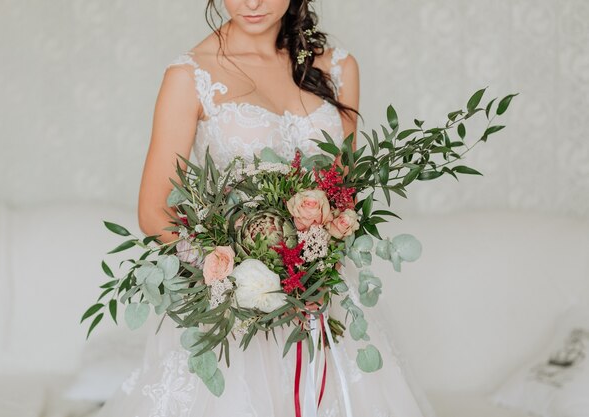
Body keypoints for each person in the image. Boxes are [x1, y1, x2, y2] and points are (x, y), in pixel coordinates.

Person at [95, 1, 438, 416]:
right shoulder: (190, 76)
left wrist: (317, 262)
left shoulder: (339, 68)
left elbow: (344, 190)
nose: (251, 3)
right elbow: (154, 212)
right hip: (234, 311)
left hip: (322, 299)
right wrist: (235, 274)